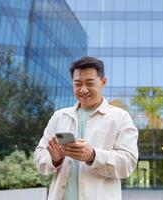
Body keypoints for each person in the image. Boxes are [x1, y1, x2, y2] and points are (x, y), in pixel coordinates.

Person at [34, 56, 138, 200]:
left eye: (89, 83)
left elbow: (128, 164)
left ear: (103, 82)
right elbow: (39, 158)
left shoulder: (120, 118)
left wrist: (93, 155)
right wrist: (54, 159)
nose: (83, 89)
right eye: (77, 84)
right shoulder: (59, 117)